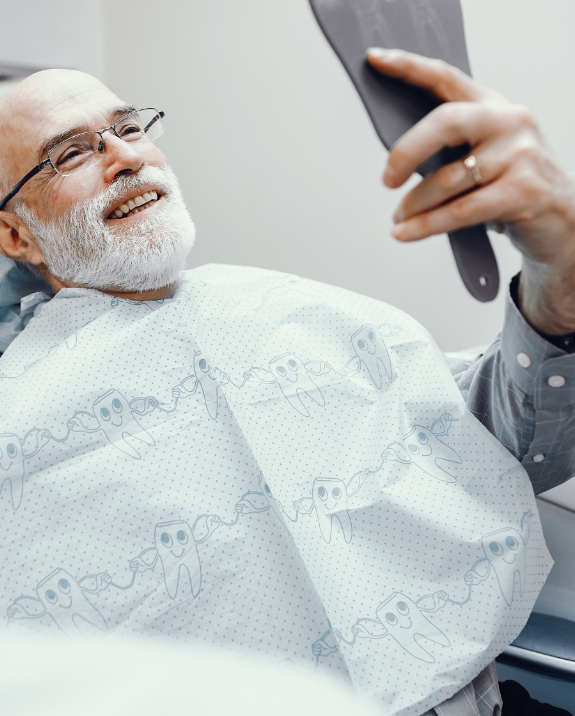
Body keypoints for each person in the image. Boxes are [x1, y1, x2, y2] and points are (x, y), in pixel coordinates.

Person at [0, 49, 573, 716]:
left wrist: (559, 280)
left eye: (128, 128)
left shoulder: (287, 312)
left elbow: (495, 450)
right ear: (16, 235)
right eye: (70, 154)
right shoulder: (21, 424)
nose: (126, 156)